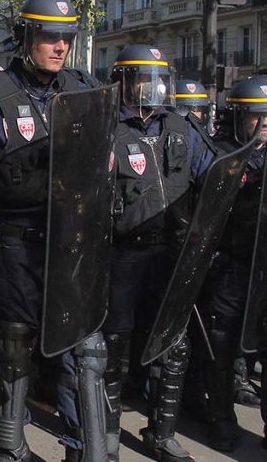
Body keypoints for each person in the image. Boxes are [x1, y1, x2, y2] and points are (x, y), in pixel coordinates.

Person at [0, 0, 106, 462]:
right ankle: (9, 445)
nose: (59, 47)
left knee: (85, 349)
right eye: (49, 37)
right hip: (16, 243)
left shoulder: (83, 88)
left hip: (72, 244)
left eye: (67, 38)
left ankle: (87, 448)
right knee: (14, 345)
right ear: (25, 37)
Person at [103, 45, 215, 462]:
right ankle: (108, 435)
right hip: (123, 254)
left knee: (173, 345)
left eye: (158, 79)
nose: (152, 88)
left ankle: (161, 433)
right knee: (113, 349)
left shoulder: (181, 127)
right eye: (142, 78)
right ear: (124, 82)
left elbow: (211, 173)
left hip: (171, 253)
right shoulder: (107, 129)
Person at [196, 75, 267, 451]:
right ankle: (220, 417)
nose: (266, 124)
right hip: (229, 268)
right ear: (240, 118)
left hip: (263, 267)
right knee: (220, 350)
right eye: (258, 116)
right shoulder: (221, 154)